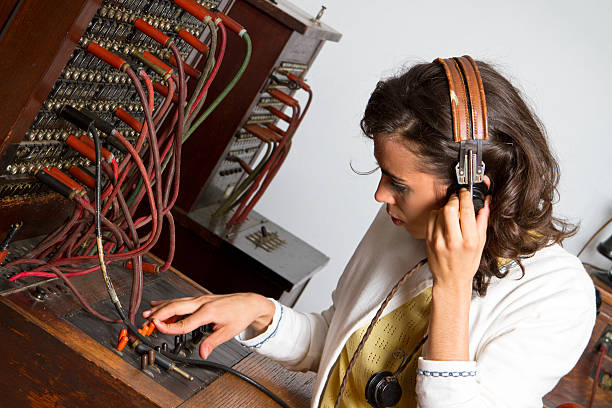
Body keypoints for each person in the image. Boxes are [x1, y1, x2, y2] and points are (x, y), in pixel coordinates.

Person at [142, 58, 596, 407]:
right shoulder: (399, 221)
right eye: (383, 175)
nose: (380, 196)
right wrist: (257, 312)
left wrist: (453, 290)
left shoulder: (558, 297)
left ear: (472, 190)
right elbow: (338, 346)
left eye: (398, 184)